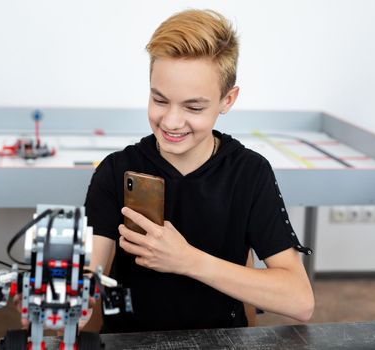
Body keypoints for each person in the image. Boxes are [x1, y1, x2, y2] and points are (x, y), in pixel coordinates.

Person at [84, 9, 314, 333]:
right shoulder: (115, 171)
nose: (172, 122)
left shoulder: (249, 173)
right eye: (159, 100)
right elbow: (88, 278)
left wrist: (187, 260)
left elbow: (300, 300)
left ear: (228, 99)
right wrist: (65, 300)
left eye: (193, 107)